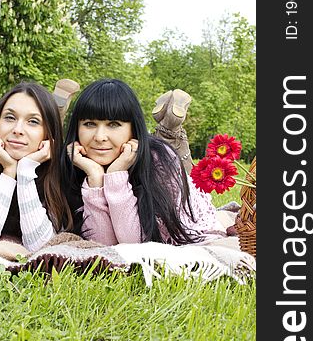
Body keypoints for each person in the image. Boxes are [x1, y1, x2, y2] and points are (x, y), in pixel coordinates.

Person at [60, 78, 223, 246]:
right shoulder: (75, 163)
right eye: (89, 124)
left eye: (113, 124)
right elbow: (103, 244)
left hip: (173, 184)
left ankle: (171, 129)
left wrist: (116, 175)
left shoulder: (159, 161)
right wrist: (95, 178)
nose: (100, 137)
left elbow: (134, 244)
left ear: (133, 129)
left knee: (178, 159)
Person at [0, 81, 72, 251]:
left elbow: (42, 246)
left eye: (33, 121)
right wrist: (9, 171)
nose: (18, 129)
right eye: (10, 118)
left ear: (48, 132)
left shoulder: (61, 163)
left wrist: (25, 171)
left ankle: (60, 102)